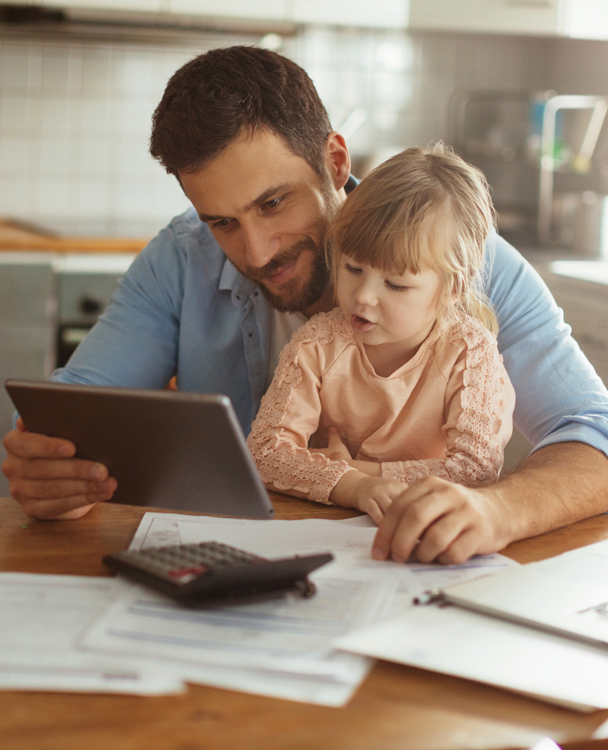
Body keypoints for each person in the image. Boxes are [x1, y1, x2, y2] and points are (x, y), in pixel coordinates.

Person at [2, 46, 608, 565]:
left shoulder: (455, 258)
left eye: (273, 203)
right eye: (220, 221)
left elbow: (594, 432)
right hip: (231, 579)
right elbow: (73, 408)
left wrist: (498, 509)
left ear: (335, 163)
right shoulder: (178, 259)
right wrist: (54, 468)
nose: (256, 250)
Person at [247, 144, 516, 531]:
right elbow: (266, 452)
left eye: (395, 284)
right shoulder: (317, 345)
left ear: (452, 288)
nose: (364, 296)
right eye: (353, 268)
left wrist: (363, 472)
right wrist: (355, 487)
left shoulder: (468, 353)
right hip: (328, 527)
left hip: (427, 532)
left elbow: (475, 470)